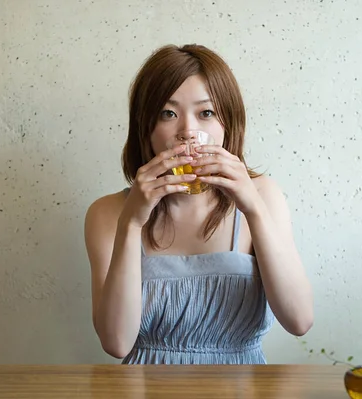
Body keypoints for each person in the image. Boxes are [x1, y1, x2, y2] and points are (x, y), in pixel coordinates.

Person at [84, 44, 313, 364]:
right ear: (145, 129)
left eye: (206, 113)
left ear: (227, 125)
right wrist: (132, 223)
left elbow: (300, 321)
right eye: (168, 113)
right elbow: (116, 343)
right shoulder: (107, 212)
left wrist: (254, 209)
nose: (188, 132)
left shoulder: (264, 195)